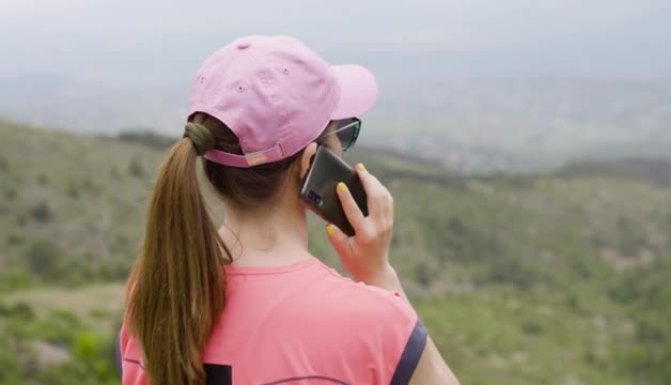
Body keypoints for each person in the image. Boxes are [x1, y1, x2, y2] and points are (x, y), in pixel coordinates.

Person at [118, 35, 459, 385]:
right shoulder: (375, 322)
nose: (344, 146)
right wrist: (380, 276)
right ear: (311, 163)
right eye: (344, 133)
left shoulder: (155, 295)